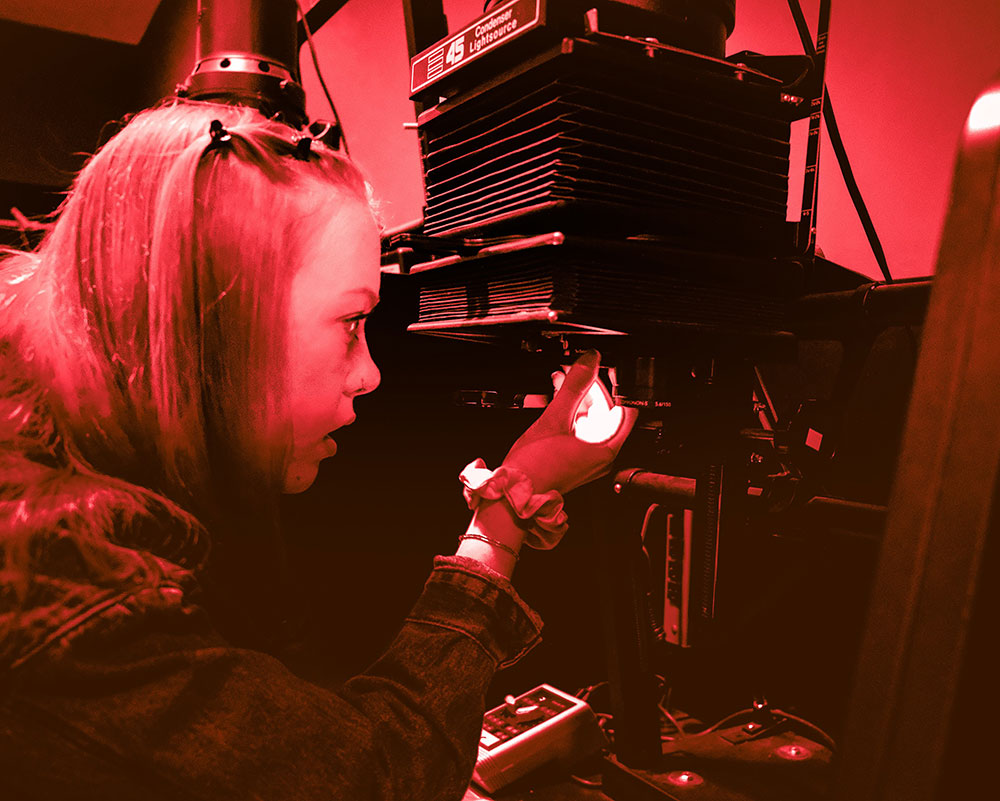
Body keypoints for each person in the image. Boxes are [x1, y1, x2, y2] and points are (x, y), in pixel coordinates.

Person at [0, 99, 635, 799]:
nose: (370, 373)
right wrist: (498, 532)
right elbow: (379, 777)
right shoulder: (75, 579)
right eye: (350, 322)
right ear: (211, 322)